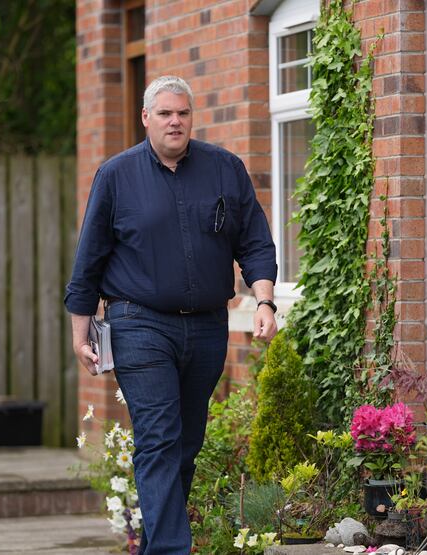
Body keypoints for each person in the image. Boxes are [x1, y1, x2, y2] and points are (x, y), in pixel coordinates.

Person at [65, 75, 278, 554]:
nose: (175, 121)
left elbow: (256, 242)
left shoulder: (225, 170)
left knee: (185, 443)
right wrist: (82, 333)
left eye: (182, 112)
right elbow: (89, 260)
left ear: (191, 117)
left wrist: (263, 300)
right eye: (164, 113)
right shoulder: (116, 176)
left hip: (206, 325)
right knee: (160, 436)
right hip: (138, 322)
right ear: (146, 118)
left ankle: (155, 543)